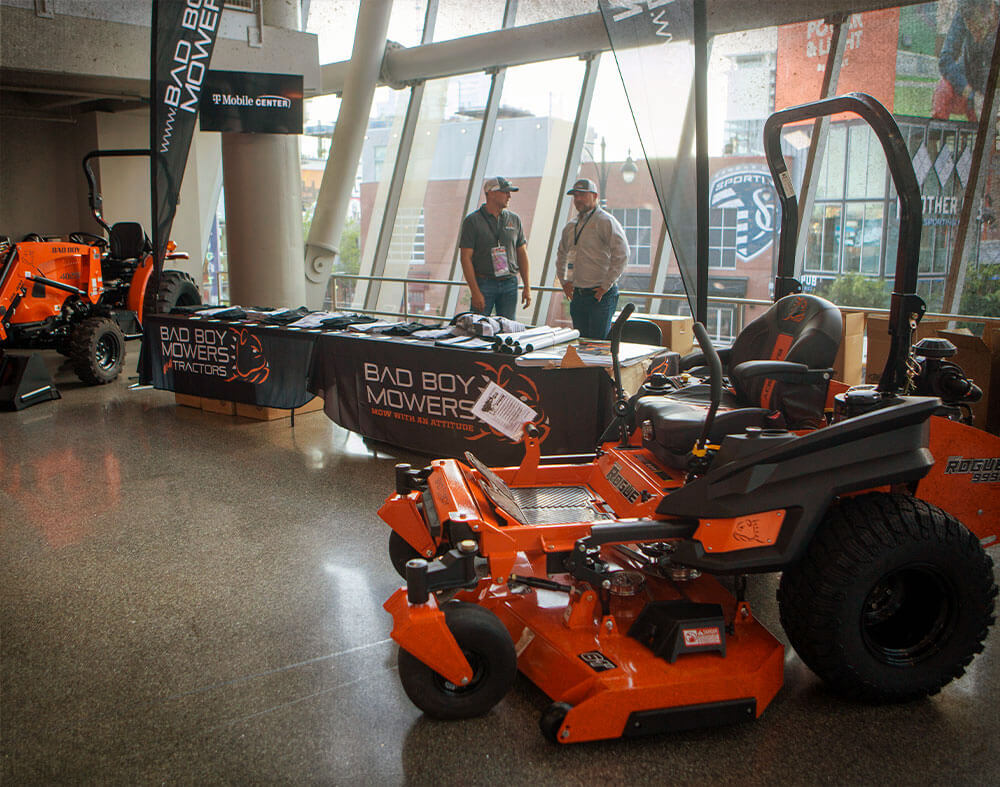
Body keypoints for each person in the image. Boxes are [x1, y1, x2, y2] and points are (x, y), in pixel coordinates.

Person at [555, 178, 630, 340]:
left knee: (597, 345)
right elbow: (561, 254)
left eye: (582, 195)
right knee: (581, 342)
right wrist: (564, 282)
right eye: (575, 196)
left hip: (600, 296)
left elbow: (622, 253)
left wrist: (605, 285)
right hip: (578, 295)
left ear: (595, 196)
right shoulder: (571, 226)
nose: (578, 199)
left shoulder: (605, 221)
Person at [459, 177, 532, 319]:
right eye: (505, 192)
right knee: (479, 328)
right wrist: (475, 291)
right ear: (491, 193)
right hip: (484, 283)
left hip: (510, 283)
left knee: (507, 329)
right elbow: (465, 258)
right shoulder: (472, 221)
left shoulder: (514, 219)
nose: (509, 196)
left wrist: (527, 286)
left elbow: (522, 253)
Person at [932, 0, 998, 122]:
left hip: (992, 89)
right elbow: (945, 59)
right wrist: (969, 92)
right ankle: (933, 137)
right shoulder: (963, 12)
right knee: (943, 91)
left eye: (979, 29)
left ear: (992, 9)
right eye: (971, 30)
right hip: (969, 85)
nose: (976, 37)